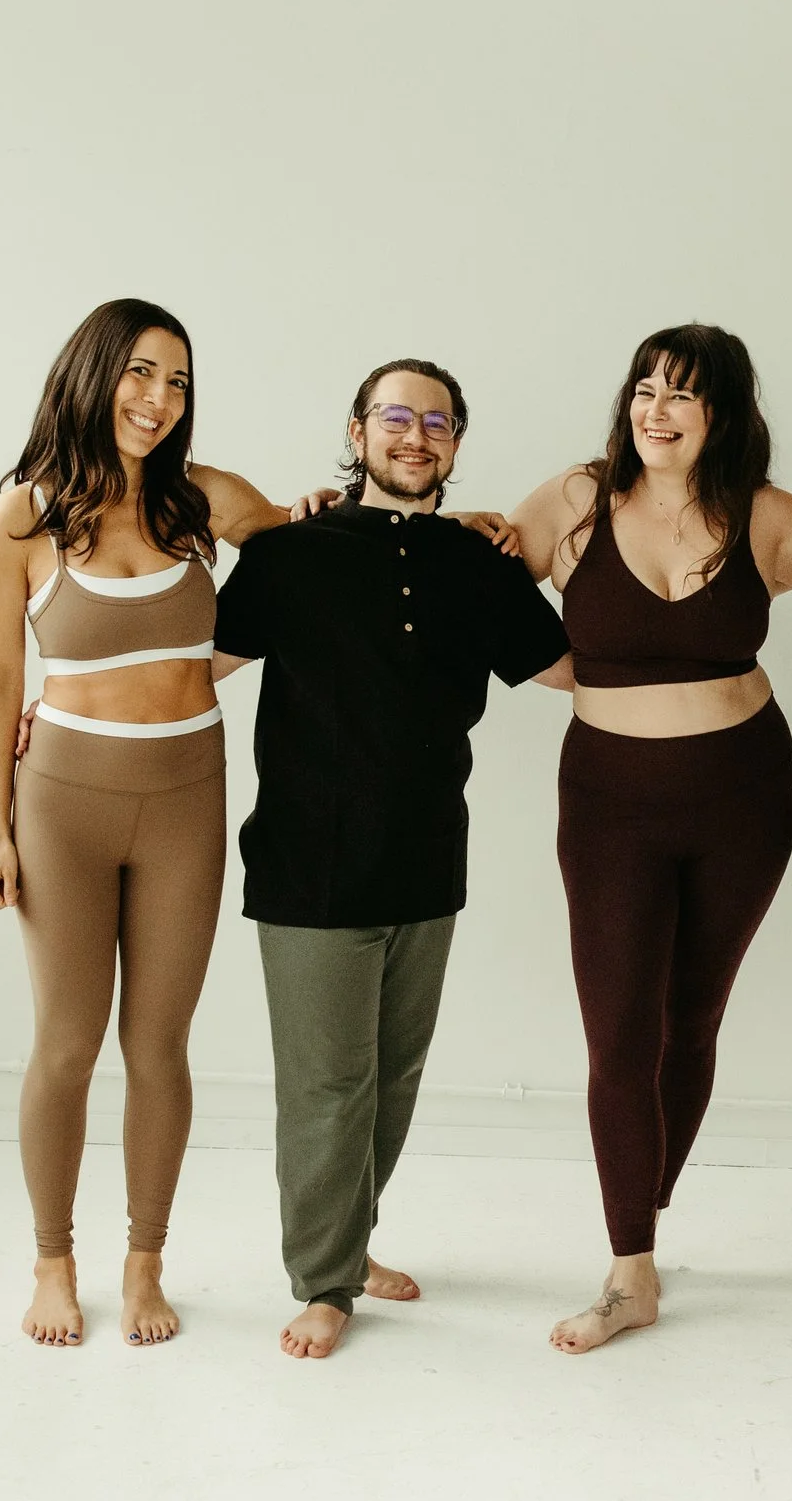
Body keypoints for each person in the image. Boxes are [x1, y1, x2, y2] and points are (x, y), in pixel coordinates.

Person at [211, 359, 573, 1359]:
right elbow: (200, 667)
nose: (416, 435)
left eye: (438, 422)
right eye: (397, 417)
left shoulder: (481, 564)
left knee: (393, 1077)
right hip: (308, 863)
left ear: (455, 443)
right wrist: (67, 700)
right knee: (328, 1085)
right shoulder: (291, 551)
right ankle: (324, 1281)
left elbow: (569, 669)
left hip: (427, 862)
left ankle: (350, 1240)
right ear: (358, 429)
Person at [0, 298, 292, 1348]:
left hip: (187, 796)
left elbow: (313, 561)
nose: (159, 401)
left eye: (180, 383)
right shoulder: (20, 517)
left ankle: (145, 1261)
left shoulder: (204, 499)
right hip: (61, 802)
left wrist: (450, 526)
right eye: (142, 374)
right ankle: (53, 1262)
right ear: (94, 372)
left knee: (158, 1044)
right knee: (66, 1046)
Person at [508, 324, 792, 1354]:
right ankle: (627, 1269)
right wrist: (552, 665)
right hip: (607, 802)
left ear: (722, 413)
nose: (656, 407)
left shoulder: (767, 519)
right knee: (618, 1034)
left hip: (742, 795)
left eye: (682, 393)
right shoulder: (574, 501)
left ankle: (637, 1217)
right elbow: (476, 572)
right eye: (644, 387)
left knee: (690, 1025)